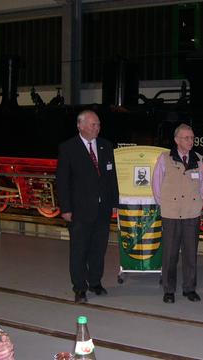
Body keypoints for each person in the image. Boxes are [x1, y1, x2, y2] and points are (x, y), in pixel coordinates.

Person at [57, 110, 119, 303]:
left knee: (98, 249)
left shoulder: (106, 146)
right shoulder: (68, 148)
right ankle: (79, 287)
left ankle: (95, 282)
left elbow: (112, 178)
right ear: (80, 126)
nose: (97, 128)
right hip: (79, 211)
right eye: (93, 125)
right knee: (79, 250)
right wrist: (65, 209)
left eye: (98, 124)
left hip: (102, 210)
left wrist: (115, 203)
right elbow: (62, 181)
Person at [152, 123, 203, 303]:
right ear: (176, 140)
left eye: (192, 137)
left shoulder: (198, 159)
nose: (191, 141)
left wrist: (195, 205)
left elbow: (201, 187)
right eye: (186, 138)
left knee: (191, 254)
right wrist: (167, 205)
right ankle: (169, 290)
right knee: (170, 254)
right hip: (171, 213)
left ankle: (190, 288)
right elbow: (156, 186)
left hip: (192, 214)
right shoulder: (165, 158)